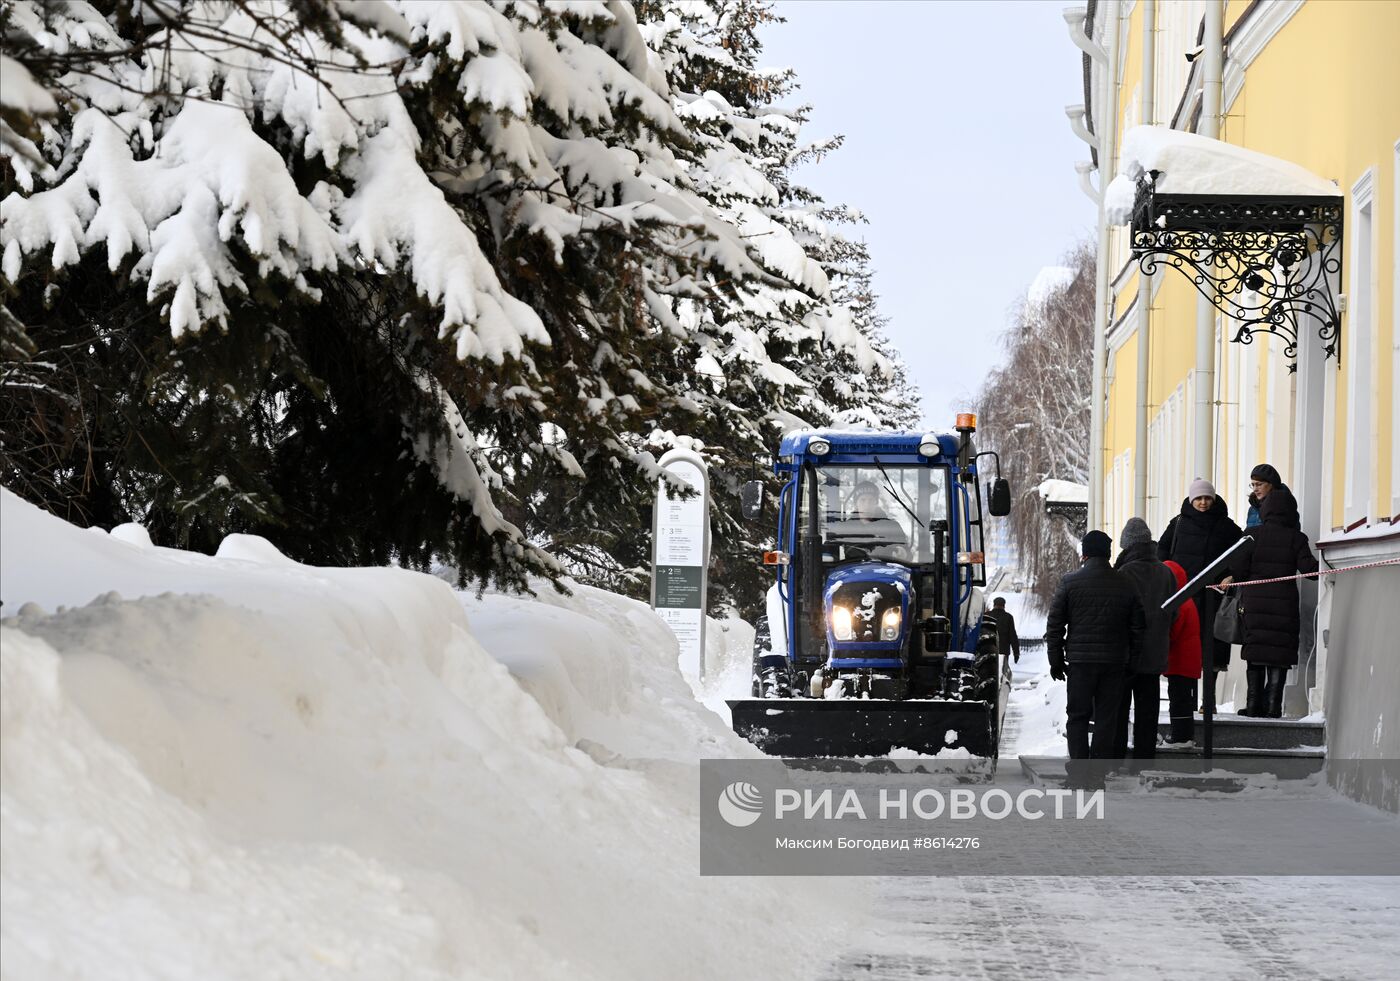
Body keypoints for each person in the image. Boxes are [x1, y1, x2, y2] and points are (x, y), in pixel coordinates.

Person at [1046, 530, 1146, 788]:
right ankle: (1096, 776)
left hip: (1080, 663)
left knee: (1078, 716)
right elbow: (1138, 628)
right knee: (1106, 719)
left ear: (1084, 553)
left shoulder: (1070, 582)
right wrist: (1133, 662)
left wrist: (1055, 660)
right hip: (1114, 663)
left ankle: (1077, 775)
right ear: (1109, 553)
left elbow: (1055, 625)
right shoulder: (1126, 584)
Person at [1228, 485, 1319, 718]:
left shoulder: (1252, 535)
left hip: (1255, 604)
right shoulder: (1296, 538)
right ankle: (1273, 708)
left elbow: (1239, 570)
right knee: (1278, 657)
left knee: (1255, 654)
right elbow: (1310, 570)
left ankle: (1253, 706)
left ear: (1266, 510)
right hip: (1284, 605)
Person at [1158, 478, 1243, 711]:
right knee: (1187, 648)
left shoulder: (1226, 526)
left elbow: (1243, 552)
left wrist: (1231, 575)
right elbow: (1162, 552)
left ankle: (1209, 701)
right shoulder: (1178, 524)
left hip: (1213, 597)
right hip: (1184, 597)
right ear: (1191, 499)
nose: (1203, 502)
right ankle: (1188, 701)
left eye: (1207, 498)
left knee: (1212, 650)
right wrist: (1169, 575)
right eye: (1199, 498)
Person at [1111, 518, 1178, 762]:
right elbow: (1174, 612)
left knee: (1119, 707)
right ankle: (1144, 756)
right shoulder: (1166, 572)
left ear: (1126, 545)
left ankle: (1116, 754)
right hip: (1156, 651)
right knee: (1147, 709)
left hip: (1127, 652)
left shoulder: (1124, 572)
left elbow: (1117, 612)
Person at [1162, 560, 1202, 744]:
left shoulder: (1179, 603)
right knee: (1183, 700)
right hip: (1187, 661)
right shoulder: (1187, 599)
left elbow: (1173, 634)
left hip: (1180, 662)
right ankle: (1183, 734)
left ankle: (1180, 735)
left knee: (1178, 701)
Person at [1245, 463, 1288, 529]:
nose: (1254, 489)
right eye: (1253, 485)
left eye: (1259, 484)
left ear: (1271, 484)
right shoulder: (1252, 508)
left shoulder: (1283, 506)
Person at [986, 596, 1021, 663]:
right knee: (1001, 670)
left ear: (994, 605)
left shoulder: (987, 615)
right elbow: (1012, 636)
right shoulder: (1008, 617)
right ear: (1004, 605)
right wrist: (1016, 653)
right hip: (1003, 651)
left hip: (988, 650)